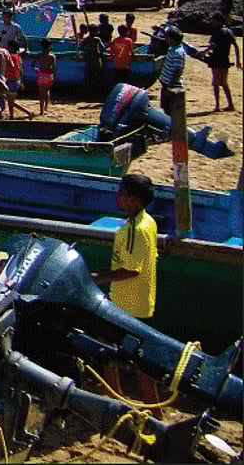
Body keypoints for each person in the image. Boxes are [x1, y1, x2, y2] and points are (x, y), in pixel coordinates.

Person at [92, 173, 160, 403]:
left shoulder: (136, 229)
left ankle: (115, 394)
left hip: (128, 304)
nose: (118, 197)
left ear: (133, 199)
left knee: (109, 346)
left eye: (122, 193)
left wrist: (100, 278)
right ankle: (118, 393)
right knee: (137, 358)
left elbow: (132, 269)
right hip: (139, 301)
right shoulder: (147, 222)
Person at [205, 12, 240, 112]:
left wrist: (203, 53)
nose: (212, 22)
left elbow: (213, 46)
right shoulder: (229, 31)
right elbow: (236, 46)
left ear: (218, 21)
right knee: (224, 83)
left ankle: (217, 106)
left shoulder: (217, 32)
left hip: (216, 60)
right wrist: (238, 60)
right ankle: (230, 104)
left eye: (214, 20)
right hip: (225, 60)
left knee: (216, 83)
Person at [158, 28, 187, 116]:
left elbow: (177, 71)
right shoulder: (172, 49)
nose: (165, 39)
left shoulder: (177, 53)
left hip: (171, 85)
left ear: (172, 39)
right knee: (165, 107)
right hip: (166, 84)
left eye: (167, 37)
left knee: (170, 110)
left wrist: (170, 87)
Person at [79, 24, 106, 94]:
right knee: (97, 75)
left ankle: (88, 91)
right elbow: (103, 48)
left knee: (89, 75)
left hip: (88, 59)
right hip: (96, 59)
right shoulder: (97, 39)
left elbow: (80, 47)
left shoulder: (86, 39)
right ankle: (95, 91)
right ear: (95, 31)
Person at [34, 39, 56, 115]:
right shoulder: (52, 56)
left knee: (41, 93)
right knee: (47, 91)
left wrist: (36, 69)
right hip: (49, 75)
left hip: (42, 74)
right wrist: (54, 77)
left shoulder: (39, 55)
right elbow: (54, 68)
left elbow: (33, 65)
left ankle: (41, 111)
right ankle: (46, 107)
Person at [4, 41, 24, 118]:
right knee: (11, 100)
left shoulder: (10, 57)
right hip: (16, 80)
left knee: (9, 101)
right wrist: (21, 81)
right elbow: (21, 70)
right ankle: (11, 114)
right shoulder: (18, 57)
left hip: (10, 80)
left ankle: (11, 115)